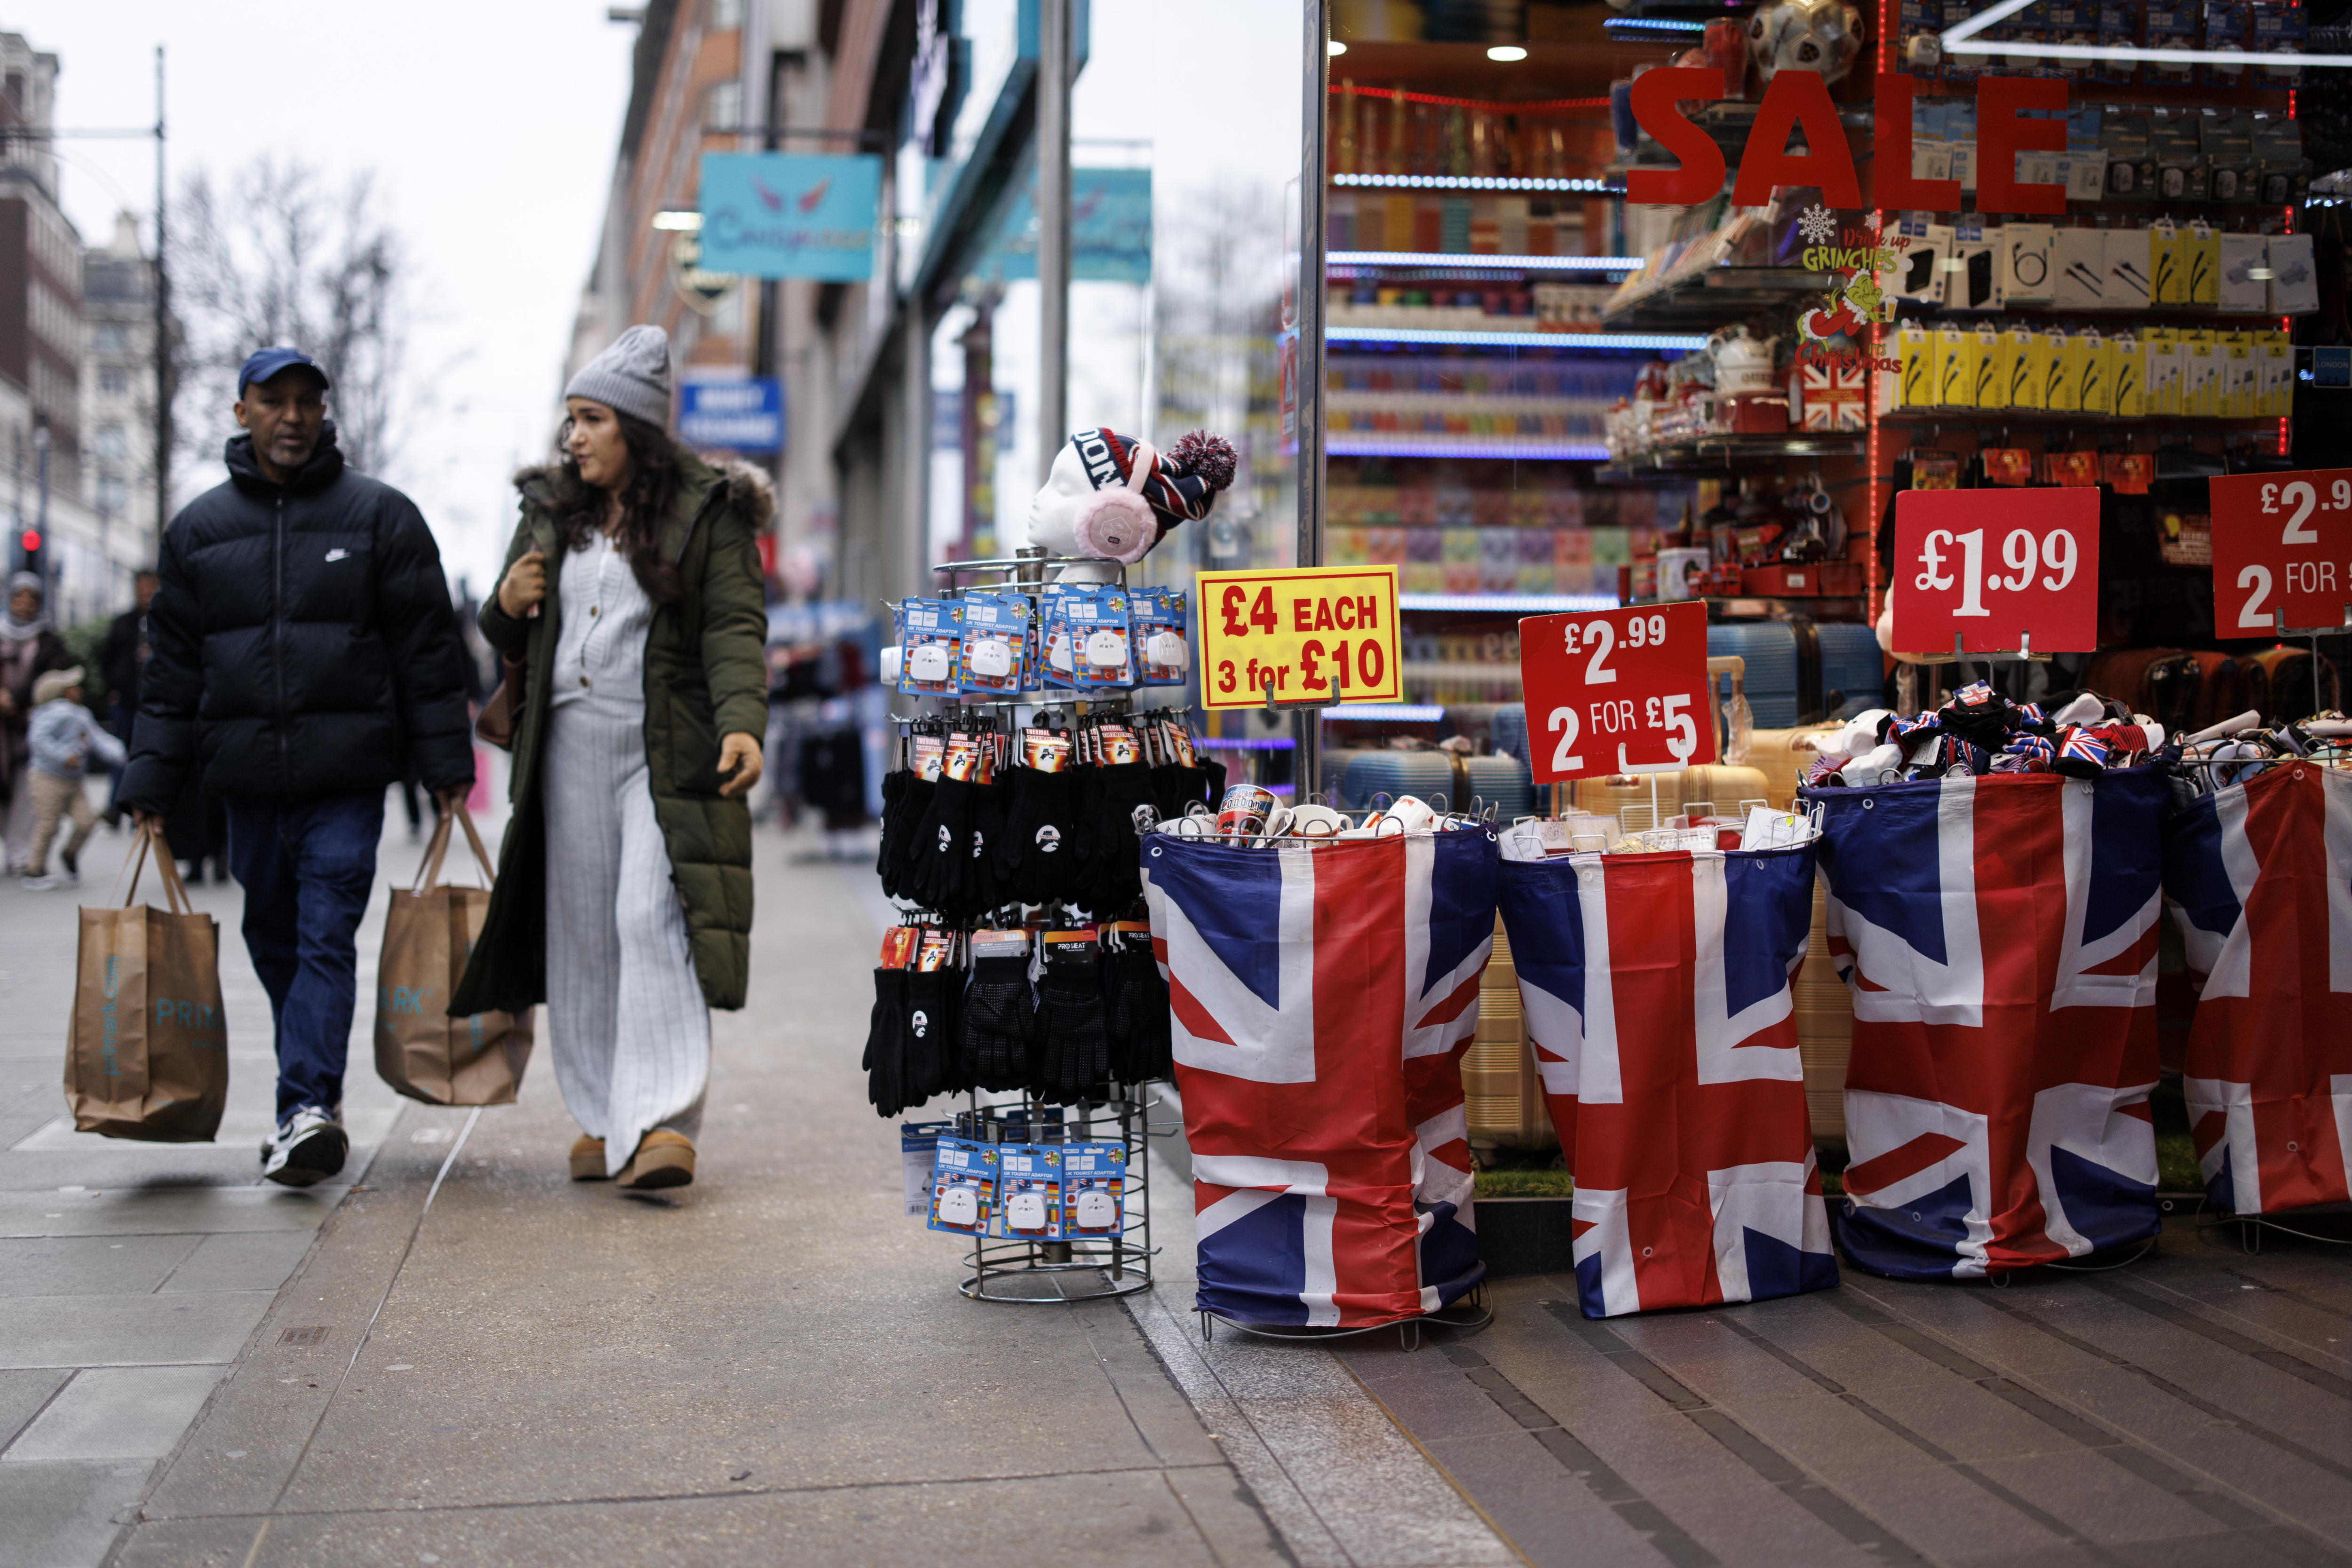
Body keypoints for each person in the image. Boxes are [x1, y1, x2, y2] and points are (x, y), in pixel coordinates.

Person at [120, 347, 476, 1187]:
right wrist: (149, 783)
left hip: (345, 780)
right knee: (272, 938)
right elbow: (169, 673)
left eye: (307, 401)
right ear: (241, 411)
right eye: (272, 400)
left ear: (326, 413)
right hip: (246, 783)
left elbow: (427, 652)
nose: (291, 415)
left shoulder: (381, 517)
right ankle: (310, 1098)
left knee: (325, 937)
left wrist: (445, 766)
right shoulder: (199, 531)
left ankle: (303, 1104)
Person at [453, 325, 767, 1192]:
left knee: (646, 915)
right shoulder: (553, 509)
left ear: (636, 426)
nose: (574, 437)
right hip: (564, 750)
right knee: (583, 934)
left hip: (662, 750)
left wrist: (743, 720)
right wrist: (503, 605)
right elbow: (512, 626)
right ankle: (602, 1114)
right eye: (571, 420)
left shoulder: (709, 510)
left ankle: (662, 1119)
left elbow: (733, 626)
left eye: (592, 419)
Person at [22, 666, 124, 887]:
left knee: (86, 821)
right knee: (48, 825)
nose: (79, 691)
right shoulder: (53, 713)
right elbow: (38, 740)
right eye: (73, 687)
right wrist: (63, 756)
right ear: (62, 692)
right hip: (47, 778)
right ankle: (34, 868)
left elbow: (98, 739)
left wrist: (124, 755)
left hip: (73, 781)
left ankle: (70, 853)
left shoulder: (81, 714)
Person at [0, 571, 74, 872]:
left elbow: (54, 676)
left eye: (31, 599)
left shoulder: (49, 639)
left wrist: (15, 700)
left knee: (25, 792)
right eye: (20, 597)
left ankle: (19, 851)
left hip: (31, 726)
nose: (25, 604)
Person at [98, 568, 159, 824]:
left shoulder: (166, 622)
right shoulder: (122, 622)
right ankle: (116, 806)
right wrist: (112, 689)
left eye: (151, 587)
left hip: (155, 700)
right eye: (142, 587)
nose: (146, 593)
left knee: (146, 755)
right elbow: (106, 659)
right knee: (120, 753)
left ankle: (140, 806)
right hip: (125, 700)